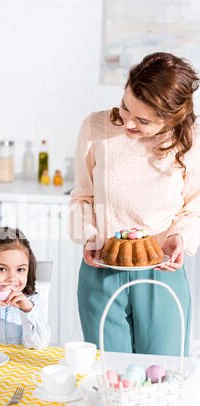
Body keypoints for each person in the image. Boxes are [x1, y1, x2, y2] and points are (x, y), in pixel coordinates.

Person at [69, 52, 200, 356]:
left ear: (171, 118)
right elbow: (82, 197)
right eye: (126, 106)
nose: (128, 123)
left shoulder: (192, 139)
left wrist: (179, 237)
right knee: (109, 376)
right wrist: (90, 235)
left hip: (162, 270)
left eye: (142, 120)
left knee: (163, 377)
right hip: (102, 265)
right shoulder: (95, 128)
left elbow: (194, 206)